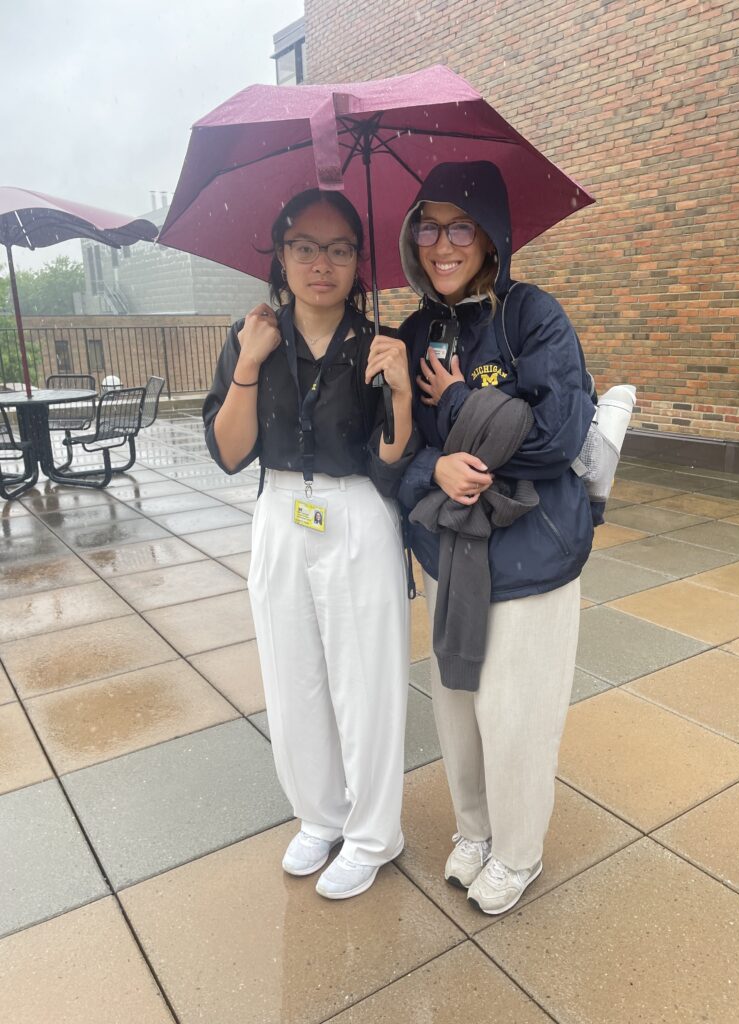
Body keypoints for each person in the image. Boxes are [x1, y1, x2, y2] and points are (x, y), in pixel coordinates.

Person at [203, 188, 416, 900]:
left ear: (360, 261)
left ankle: (373, 832)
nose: (321, 263)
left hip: (357, 513)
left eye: (339, 249)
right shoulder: (251, 333)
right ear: (280, 253)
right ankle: (320, 816)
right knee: (293, 675)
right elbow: (230, 453)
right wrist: (250, 363)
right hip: (280, 512)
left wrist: (403, 395)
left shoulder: (380, 342)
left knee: (366, 680)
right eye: (304, 246)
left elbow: (393, 461)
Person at [397, 161, 595, 915]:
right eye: (427, 224)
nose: (440, 243)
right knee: (458, 701)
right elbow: (402, 452)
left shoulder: (532, 316)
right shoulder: (415, 331)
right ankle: (475, 829)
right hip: (450, 549)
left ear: (490, 237)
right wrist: (436, 466)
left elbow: (556, 435)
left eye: (459, 226)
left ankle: (518, 851)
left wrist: (455, 403)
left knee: (517, 712)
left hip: (531, 554)